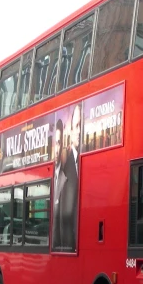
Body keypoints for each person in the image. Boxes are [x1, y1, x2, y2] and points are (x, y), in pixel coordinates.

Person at [58, 104, 81, 251]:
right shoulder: (65, 167)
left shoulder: (85, 161)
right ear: (71, 131)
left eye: (81, 125)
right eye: (76, 126)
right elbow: (64, 218)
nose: (79, 131)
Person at [51, 119, 67, 249]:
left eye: (58, 143)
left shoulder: (65, 179)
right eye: (54, 144)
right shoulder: (46, 180)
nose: (56, 150)